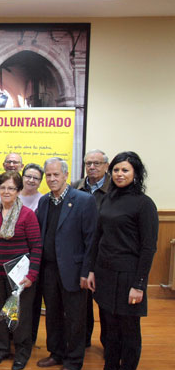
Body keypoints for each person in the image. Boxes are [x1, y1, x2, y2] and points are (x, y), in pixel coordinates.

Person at [86, 151, 158, 370]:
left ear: (136, 173)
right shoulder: (108, 198)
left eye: (125, 170)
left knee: (129, 335)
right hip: (104, 273)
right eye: (116, 170)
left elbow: (149, 248)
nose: (119, 174)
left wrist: (139, 285)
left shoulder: (143, 203)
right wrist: (92, 269)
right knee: (110, 333)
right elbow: (98, 237)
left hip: (129, 277)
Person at [35, 158, 98, 370]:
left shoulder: (84, 200)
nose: (51, 179)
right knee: (52, 314)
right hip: (49, 269)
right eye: (48, 175)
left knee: (75, 318)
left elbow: (91, 239)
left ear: (66, 175)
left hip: (74, 270)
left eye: (56, 175)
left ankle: (74, 360)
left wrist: (87, 271)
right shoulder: (44, 202)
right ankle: (56, 353)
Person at [0, 171, 41, 370]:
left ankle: (22, 353)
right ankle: (1, 349)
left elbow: (37, 247)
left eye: (11, 188)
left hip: (19, 277)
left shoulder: (27, 215)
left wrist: (31, 275)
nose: (6, 191)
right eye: (3, 188)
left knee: (19, 316)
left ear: (18, 191)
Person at [73, 149, 112, 348]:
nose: (92, 167)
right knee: (83, 302)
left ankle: (108, 343)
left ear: (106, 166)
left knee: (105, 303)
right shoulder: (75, 187)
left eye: (97, 163)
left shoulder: (115, 188)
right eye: (88, 163)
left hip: (106, 253)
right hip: (82, 253)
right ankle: (84, 340)